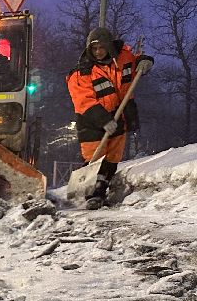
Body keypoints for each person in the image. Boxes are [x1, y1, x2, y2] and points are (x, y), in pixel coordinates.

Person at [66, 27, 154, 209]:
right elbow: (83, 101)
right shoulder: (82, 73)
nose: (98, 52)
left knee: (113, 156)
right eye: (94, 48)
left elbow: (135, 62)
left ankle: (101, 188)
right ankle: (92, 193)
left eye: (101, 47)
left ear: (109, 46)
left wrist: (144, 61)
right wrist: (103, 120)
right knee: (95, 157)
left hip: (119, 114)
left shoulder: (122, 58)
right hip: (92, 121)